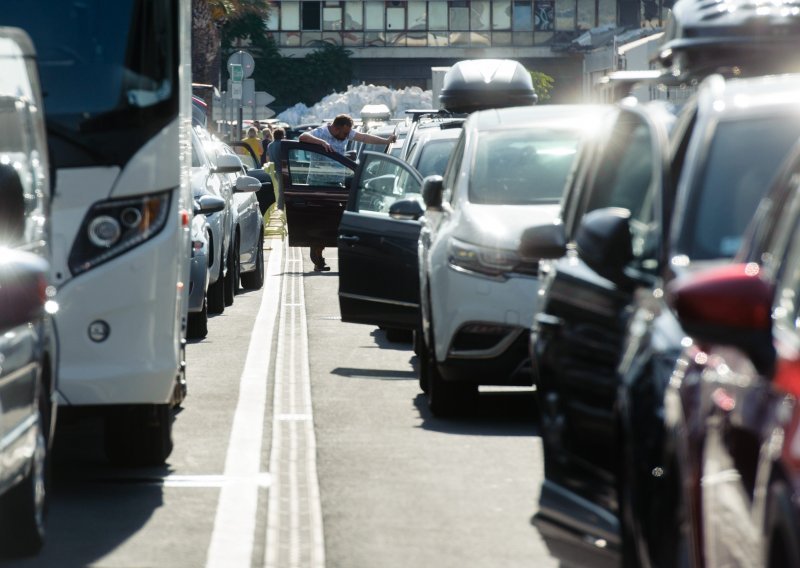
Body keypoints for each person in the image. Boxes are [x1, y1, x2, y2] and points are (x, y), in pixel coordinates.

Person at [299, 114, 396, 272]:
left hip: (337, 183)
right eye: (344, 133)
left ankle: (322, 251)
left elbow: (364, 137)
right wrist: (321, 142)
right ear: (336, 128)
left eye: (348, 134)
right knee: (320, 220)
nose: (346, 137)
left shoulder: (346, 131)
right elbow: (303, 137)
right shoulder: (322, 132)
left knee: (334, 219)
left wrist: (385, 141)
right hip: (319, 183)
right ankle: (318, 256)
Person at [267, 127, 285, 210]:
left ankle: (276, 204)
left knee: (277, 189)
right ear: (282, 135)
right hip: (281, 170)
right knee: (282, 190)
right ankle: (280, 207)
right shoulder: (282, 144)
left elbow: (267, 158)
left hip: (273, 170)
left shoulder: (270, 145)